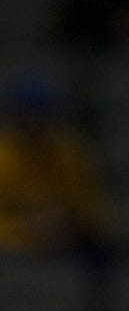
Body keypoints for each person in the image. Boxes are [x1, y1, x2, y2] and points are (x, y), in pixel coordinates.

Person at [0, 75, 110, 261]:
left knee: (102, 252)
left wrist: (69, 225)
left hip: (66, 242)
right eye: (29, 115)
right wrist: (27, 230)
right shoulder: (3, 157)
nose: (36, 124)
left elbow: (94, 210)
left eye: (42, 116)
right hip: (11, 249)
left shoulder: (70, 154)